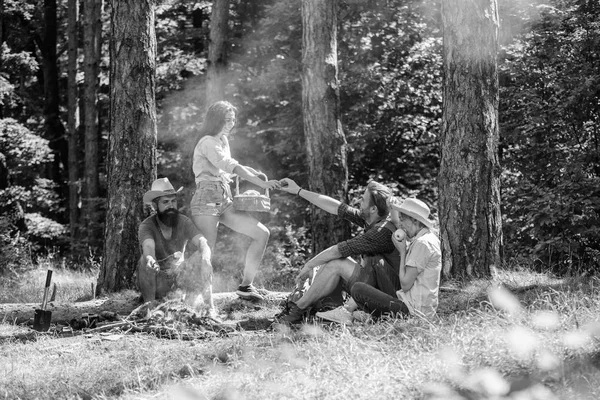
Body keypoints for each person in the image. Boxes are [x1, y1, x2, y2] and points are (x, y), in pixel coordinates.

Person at [190, 101, 281, 302]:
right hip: (206, 198)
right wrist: (259, 182)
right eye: (226, 120)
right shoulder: (207, 141)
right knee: (207, 250)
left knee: (261, 233)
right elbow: (229, 165)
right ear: (215, 120)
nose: (231, 124)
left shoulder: (223, 140)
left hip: (224, 197)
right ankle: (201, 297)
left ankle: (246, 286)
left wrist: (252, 173)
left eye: (233, 119)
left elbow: (228, 169)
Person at [275, 179, 400, 325]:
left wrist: (308, 265)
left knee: (337, 263)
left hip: (386, 296)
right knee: (328, 262)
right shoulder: (371, 219)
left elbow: (339, 250)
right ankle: (327, 307)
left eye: (364, 199)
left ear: (373, 209)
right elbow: (337, 207)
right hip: (374, 286)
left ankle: (297, 311)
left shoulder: (381, 232)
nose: (360, 200)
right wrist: (298, 190)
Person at [351, 197, 442, 320]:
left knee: (357, 289)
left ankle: (368, 314)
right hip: (408, 300)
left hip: (412, 312)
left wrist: (402, 251)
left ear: (414, 220)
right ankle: (365, 312)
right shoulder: (424, 237)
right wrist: (392, 205)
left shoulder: (423, 243)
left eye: (403, 220)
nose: (401, 224)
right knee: (375, 261)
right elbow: (395, 222)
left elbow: (405, 284)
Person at [138, 177, 215, 315]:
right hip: (158, 280)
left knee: (202, 254)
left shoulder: (183, 221)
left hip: (180, 278)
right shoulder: (147, 226)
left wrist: (205, 259)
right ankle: (150, 310)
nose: (171, 206)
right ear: (155, 206)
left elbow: (202, 242)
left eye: (173, 201)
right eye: (165, 202)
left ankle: (209, 309)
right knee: (144, 260)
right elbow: (148, 248)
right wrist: (150, 259)